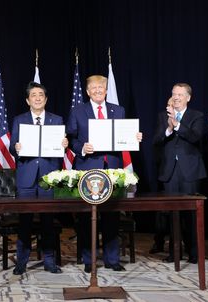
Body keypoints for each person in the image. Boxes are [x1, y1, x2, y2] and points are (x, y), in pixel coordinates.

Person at [67, 75, 142, 273]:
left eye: (101, 87)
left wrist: (134, 138)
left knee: (112, 215)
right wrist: (82, 148)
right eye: (94, 87)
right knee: (85, 217)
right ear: (88, 91)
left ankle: (112, 259)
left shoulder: (118, 110)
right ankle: (88, 260)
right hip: (87, 166)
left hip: (113, 167)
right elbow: (71, 138)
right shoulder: (77, 111)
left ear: (106, 90)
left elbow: (123, 136)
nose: (98, 90)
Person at [9, 82, 67, 275]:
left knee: (47, 222)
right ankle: (21, 262)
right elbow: (11, 147)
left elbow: (60, 149)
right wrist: (15, 148)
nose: (37, 98)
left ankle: (49, 262)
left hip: (48, 177)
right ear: (28, 100)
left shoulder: (56, 120)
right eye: (33, 95)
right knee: (24, 222)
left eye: (41, 95)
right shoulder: (19, 120)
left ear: (46, 99)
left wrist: (64, 144)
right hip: (26, 177)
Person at [153, 83, 206, 264]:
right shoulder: (163, 116)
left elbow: (195, 137)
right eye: (174, 94)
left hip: (190, 171)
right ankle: (174, 252)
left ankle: (193, 252)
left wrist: (177, 124)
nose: (176, 97)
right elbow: (156, 140)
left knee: (190, 214)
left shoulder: (196, 115)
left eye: (180, 95)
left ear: (188, 98)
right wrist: (168, 128)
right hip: (169, 171)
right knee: (171, 213)